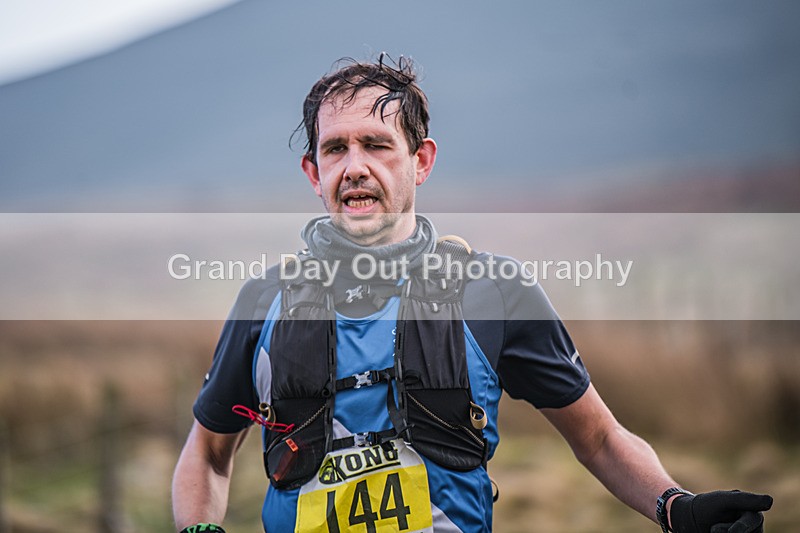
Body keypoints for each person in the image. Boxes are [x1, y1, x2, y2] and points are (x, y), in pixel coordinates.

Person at [172, 55, 773, 533]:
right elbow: (206, 455)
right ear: (313, 173)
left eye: (377, 144)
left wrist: (677, 508)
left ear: (421, 160)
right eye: (336, 148)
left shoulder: (495, 293)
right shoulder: (264, 303)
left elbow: (600, 439)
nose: (354, 166)